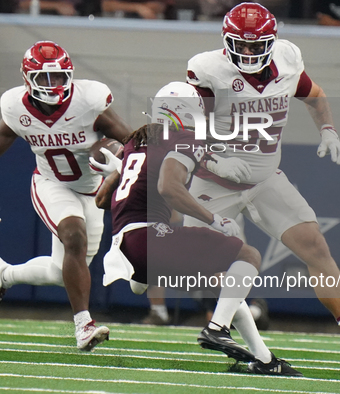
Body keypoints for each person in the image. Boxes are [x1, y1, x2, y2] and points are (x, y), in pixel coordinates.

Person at [183, 2, 340, 369]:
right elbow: (188, 131)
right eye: (243, 45)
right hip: (216, 181)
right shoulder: (208, 70)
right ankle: (247, 344)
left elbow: (314, 94)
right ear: (226, 41)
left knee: (316, 246)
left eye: (258, 45)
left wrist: (328, 129)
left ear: (273, 41)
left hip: (266, 175)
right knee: (210, 264)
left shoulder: (287, 59)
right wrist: (215, 159)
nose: (250, 52)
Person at [92, 81, 302, 376]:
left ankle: (265, 360)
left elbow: (102, 200)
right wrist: (212, 218)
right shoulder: (182, 139)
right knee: (249, 255)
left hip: (125, 246)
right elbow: (168, 187)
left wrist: (118, 169)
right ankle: (217, 329)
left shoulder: (134, 142)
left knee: (226, 286)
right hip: (149, 238)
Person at [0, 41, 132, 351]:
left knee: (60, 272)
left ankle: (3, 275)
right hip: (52, 184)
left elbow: (129, 140)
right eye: (45, 78)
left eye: (59, 77)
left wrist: (118, 156)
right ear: (28, 79)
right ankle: (84, 325)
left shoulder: (89, 101)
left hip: (93, 190)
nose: (53, 85)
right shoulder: (16, 108)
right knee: (74, 237)